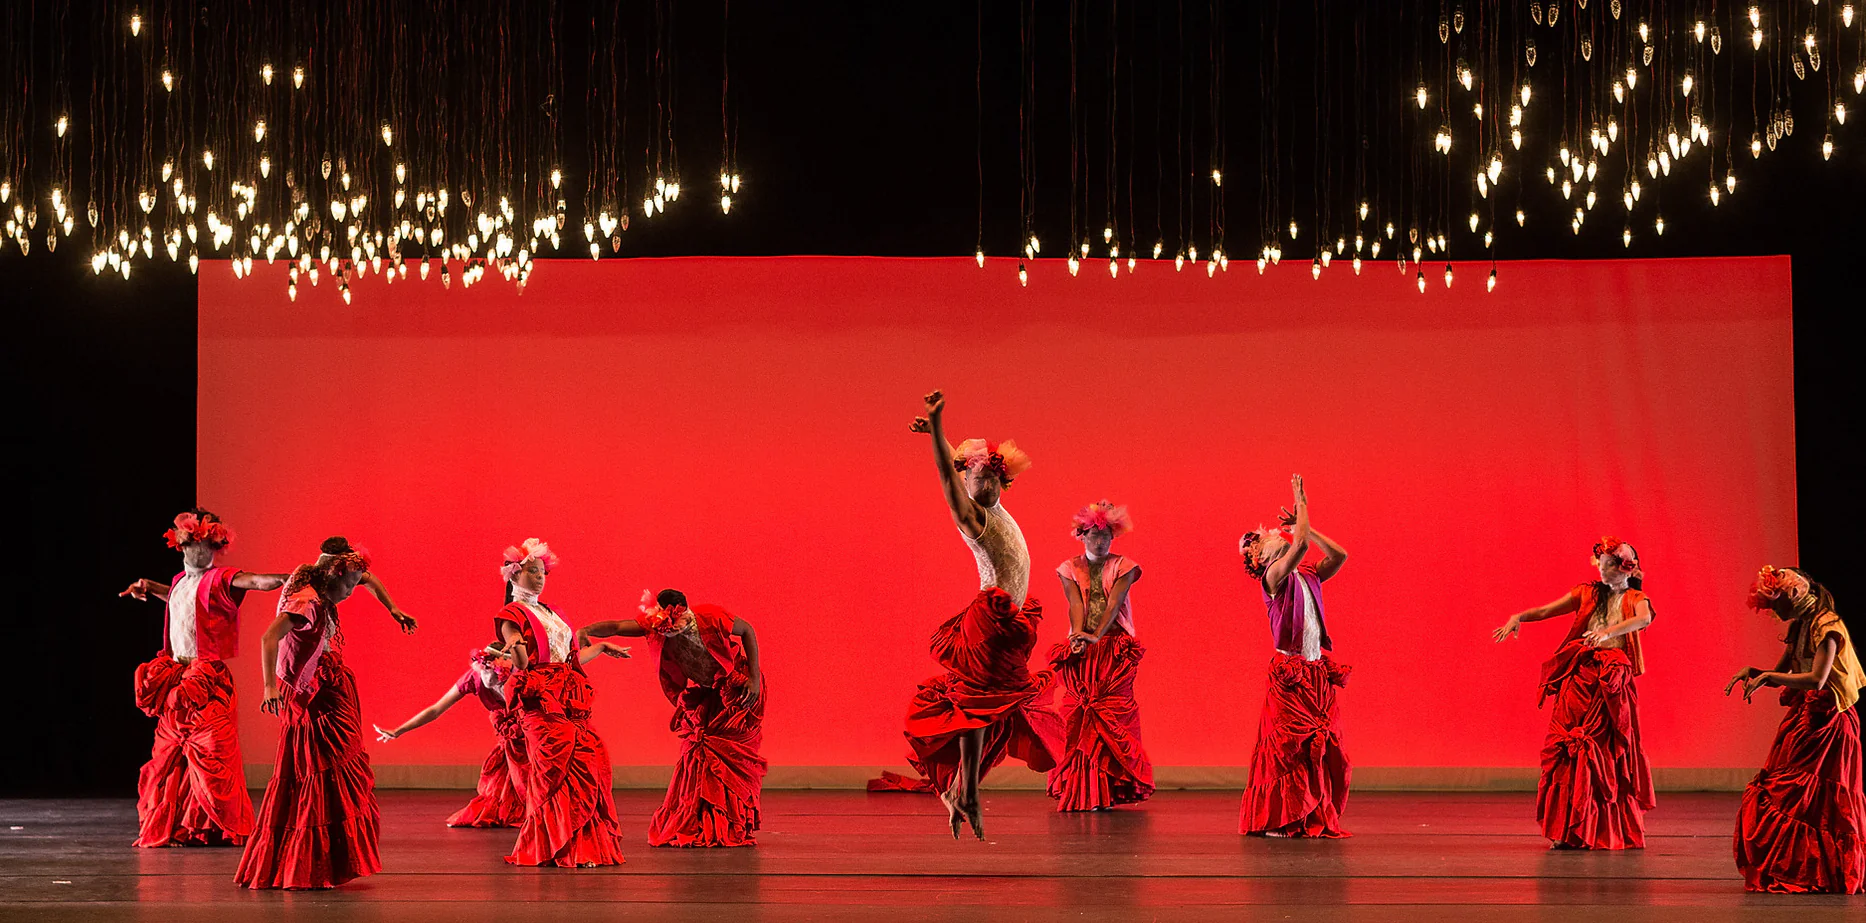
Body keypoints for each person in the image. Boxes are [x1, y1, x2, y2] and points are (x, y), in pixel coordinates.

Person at [903, 389, 1060, 839]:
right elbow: (946, 472)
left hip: (1010, 620)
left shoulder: (995, 505)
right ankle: (964, 789)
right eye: (979, 477)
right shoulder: (970, 516)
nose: (988, 482)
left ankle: (965, 790)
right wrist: (936, 426)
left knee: (985, 705)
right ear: (966, 484)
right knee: (981, 702)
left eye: (994, 475)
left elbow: (957, 460)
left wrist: (941, 437)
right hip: (990, 620)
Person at [234, 537, 418, 890]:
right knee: (318, 766)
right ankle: (310, 859)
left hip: (326, 681)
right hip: (309, 693)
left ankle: (333, 856)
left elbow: (369, 579)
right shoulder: (306, 601)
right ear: (333, 574)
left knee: (334, 768)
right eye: (347, 586)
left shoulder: (325, 581)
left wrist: (393, 609)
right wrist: (269, 687)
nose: (350, 592)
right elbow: (269, 638)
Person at [119, 509, 288, 848]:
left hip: (207, 680)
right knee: (171, 757)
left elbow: (257, 581)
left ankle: (218, 825)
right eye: (195, 544)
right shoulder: (180, 582)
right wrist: (150, 587)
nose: (202, 551)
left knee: (211, 753)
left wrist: (289, 579)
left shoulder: (223, 578)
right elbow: (182, 599)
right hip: (177, 677)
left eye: (209, 545)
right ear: (182, 545)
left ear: (215, 546)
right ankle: (180, 827)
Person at [1492, 535, 1655, 849]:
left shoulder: (1635, 597)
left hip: (1610, 680)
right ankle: (1566, 829)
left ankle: (1602, 831)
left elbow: (1643, 618)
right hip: (1580, 675)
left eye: (1611, 565)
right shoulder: (1587, 592)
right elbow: (1546, 611)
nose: (1603, 570)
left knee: (1603, 752)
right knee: (1568, 746)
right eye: (1601, 564)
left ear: (1626, 568)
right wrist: (1519, 617)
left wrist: (1607, 632)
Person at [373, 634, 629, 828]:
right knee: (511, 783)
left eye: (495, 671)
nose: (489, 677)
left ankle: (554, 816)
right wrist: (399, 731)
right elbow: (436, 709)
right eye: (484, 669)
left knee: (548, 778)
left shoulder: (523, 673)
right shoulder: (473, 679)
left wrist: (601, 647)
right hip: (512, 739)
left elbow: (566, 662)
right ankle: (532, 813)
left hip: (538, 733)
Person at [580, 588, 767, 847]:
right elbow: (617, 626)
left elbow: (747, 631)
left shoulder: (710, 616)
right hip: (707, 694)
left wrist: (754, 678)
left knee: (729, 759)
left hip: (738, 691)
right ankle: (703, 822)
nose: (670, 631)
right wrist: (586, 630)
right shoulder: (657, 625)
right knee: (697, 754)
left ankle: (732, 822)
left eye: (676, 625)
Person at [1727, 565, 1866, 893]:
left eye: (1776, 605)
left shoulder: (1827, 626)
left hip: (1829, 720)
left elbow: (1817, 679)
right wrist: (1756, 672)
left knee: (1816, 800)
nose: (1775, 613)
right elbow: (1781, 673)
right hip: (1805, 716)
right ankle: (1797, 869)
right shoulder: (1800, 625)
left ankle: (1820, 873)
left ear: (1794, 596)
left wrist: (1769, 677)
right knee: (1791, 795)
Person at [495, 538, 627, 868]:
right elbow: (523, 663)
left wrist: (601, 648)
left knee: (587, 761)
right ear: (515, 574)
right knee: (553, 770)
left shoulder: (552, 612)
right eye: (533, 572)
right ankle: (554, 847)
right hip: (541, 699)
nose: (540, 577)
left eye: (543, 572)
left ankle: (584, 847)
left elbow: (570, 658)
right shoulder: (512, 614)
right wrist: (516, 645)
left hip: (568, 695)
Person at [1237, 476, 1353, 838]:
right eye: (1267, 540)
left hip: (1316, 672)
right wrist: (1302, 503)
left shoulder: (1307, 573)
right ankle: (1282, 818)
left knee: (1318, 747)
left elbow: (1339, 556)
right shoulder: (1273, 577)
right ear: (1260, 558)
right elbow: (1299, 545)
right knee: (1289, 749)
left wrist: (1309, 528)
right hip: (1291, 675)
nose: (1277, 536)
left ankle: (1310, 815)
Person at [1046, 500, 1154, 812]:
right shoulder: (1068, 568)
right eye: (1094, 535)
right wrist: (1079, 637)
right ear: (1082, 535)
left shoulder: (1125, 567)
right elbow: (1075, 604)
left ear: (1112, 536)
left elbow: (1113, 604)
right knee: (1079, 716)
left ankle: (1108, 788)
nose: (1100, 541)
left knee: (1111, 716)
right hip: (1083, 648)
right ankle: (1083, 789)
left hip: (1114, 648)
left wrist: (1095, 636)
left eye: (1105, 535)